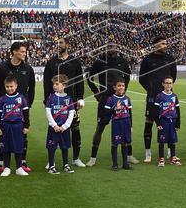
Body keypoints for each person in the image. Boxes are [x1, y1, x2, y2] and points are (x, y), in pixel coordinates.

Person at [0, 41, 36, 174]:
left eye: (25, 51)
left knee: (23, 135)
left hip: (21, 108)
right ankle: (0, 163)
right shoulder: (2, 68)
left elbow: (32, 89)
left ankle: (22, 162)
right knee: (3, 135)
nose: (24, 54)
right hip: (6, 108)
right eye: (22, 51)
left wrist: (28, 104)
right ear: (14, 52)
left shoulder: (28, 69)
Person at [43, 37, 86, 168]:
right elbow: (46, 83)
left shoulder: (75, 62)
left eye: (61, 42)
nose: (58, 45)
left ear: (67, 45)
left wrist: (80, 97)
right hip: (55, 103)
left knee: (75, 129)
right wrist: (46, 100)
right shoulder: (51, 62)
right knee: (54, 129)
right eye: (57, 43)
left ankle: (76, 158)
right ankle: (51, 161)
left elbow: (79, 80)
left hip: (71, 102)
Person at [87, 44, 131, 166]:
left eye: (113, 46)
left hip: (120, 99)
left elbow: (127, 75)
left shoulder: (122, 61)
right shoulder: (100, 61)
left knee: (125, 127)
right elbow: (89, 76)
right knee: (100, 128)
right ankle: (93, 158)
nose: (111, 48)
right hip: (105, 98)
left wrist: (125, 88)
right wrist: (96, 92)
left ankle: (129, 156)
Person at [138, 37, 177, 163]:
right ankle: (148, 152)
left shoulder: (170, 59)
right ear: (155, 45)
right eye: (162, 43)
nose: (165, 45)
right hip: (152, 97)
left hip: (167, 97)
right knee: (149, 123)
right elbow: (142, 78)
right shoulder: (147, 60)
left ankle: (170, 152)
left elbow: (173, 76)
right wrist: (151, 89)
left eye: (166, 43)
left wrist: (166, 90)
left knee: (169, 124)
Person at [0, 75, 30, 177]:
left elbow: (26, 113)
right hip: (6, 126)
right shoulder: (2, 99)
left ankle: (19, 168)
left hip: (18, 126)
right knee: (6, 147)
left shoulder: (21, 98)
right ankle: (7, 168)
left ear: (16, 86)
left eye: (11, 86)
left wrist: (26, 126)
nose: (9, 88)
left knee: (18, 147)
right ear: (5, 86)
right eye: (7, 86)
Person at [44, 74, 76, 175]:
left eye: (57, 84)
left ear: (64, 85)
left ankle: (66, 165)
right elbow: (48, 112)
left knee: (65, 147)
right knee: (51, 147)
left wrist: (65, 126)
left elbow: (71, 113)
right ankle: (51, 166)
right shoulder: (51, 97)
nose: (54, 86)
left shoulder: (68, 99)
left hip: (64, 129)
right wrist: (54, 125)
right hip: (53, 128)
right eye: (54, 84)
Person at [151, 76, 182, 166]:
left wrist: (178, 123)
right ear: (163, 84)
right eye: (167, 83)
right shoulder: (159, 96)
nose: (168, 85)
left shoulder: (174, 96)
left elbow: (177, 110)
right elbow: (155, 111)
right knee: (162, 141)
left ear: (172, 84)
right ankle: (161, 159)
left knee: (172, 140)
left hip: (172, 121)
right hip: (163, 121)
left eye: (170, 83)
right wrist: (158, 123)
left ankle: (173, 158)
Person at [104, 79, 134, 171]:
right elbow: (106, 112)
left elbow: (130, 113)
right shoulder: (111, 99)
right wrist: (115, 109)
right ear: (114, 87)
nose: (121, 87)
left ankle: (125, 164)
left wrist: (131, 126)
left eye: (123, 86)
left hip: (126, 123)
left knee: (125, 143)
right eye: (119, 86)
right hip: (117, 123)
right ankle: (115, 164)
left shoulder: (127, 99)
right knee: (115, 143)